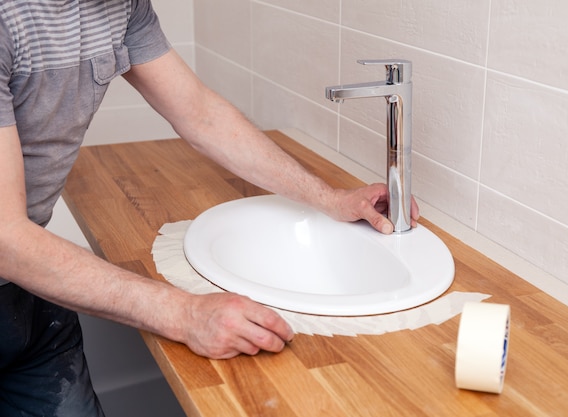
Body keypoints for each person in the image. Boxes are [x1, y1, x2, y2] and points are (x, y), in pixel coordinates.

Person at [0, 1, 419, 416]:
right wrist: (184, 314)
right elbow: (6, 240)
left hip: (32, 295)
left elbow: (200, 114)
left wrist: (329, 198)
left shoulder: (122, 6)